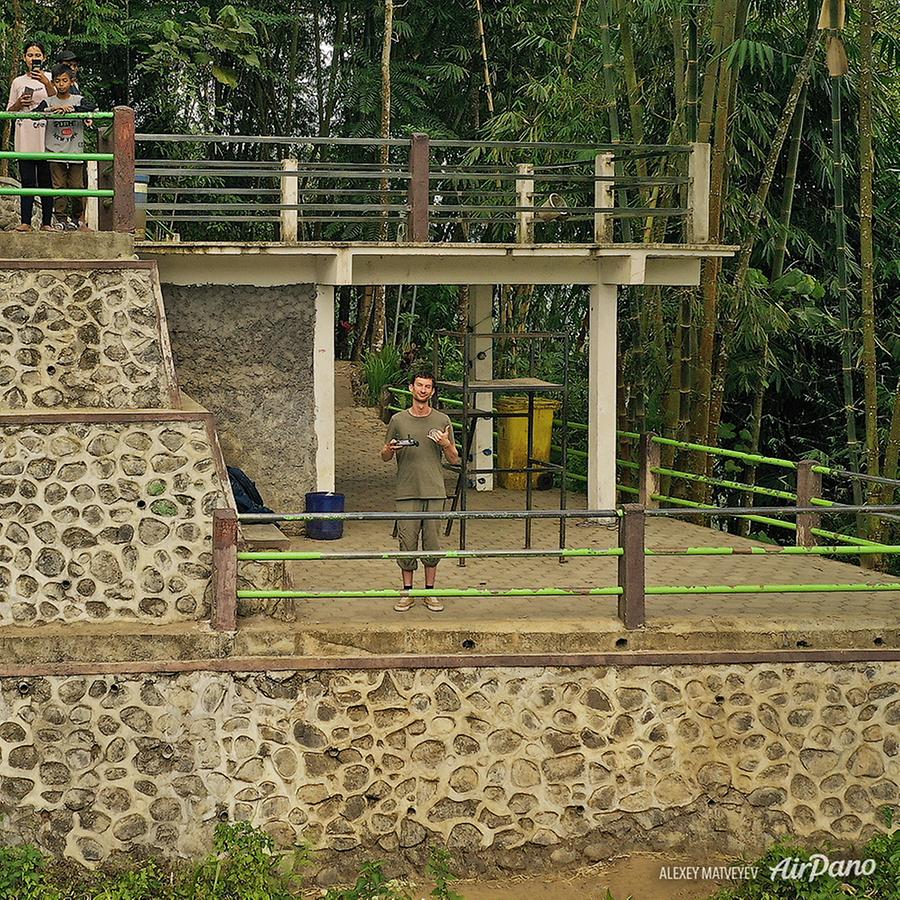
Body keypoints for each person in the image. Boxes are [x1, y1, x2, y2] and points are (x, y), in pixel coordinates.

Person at [381, 371, 459, 612]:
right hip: (406, 491)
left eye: (428, 387)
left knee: (432, 542)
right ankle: (407, 593)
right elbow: (384, 456)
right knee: (407, 541)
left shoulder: (442, 420)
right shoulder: (397, 420)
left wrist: (446, 444)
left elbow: (455, 459)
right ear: (411, 388)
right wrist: (390, 449)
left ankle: (430, 592)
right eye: (419, 385)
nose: (423, 390)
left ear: (432, 391)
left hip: (435, 491)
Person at [35, 64, 96, 230]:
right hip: (54, 151)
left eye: (64, 80)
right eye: (57, 81)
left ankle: (77, 219)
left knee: (77, 186)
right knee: (59, 186)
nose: (61, 84)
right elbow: (35, 113)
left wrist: (72, 109)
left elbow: (92, 106)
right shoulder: (48, 101)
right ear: (53, 83)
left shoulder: (79, 100)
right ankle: (61, 219)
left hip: (75, 150)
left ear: (71, 82)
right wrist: (52, 110)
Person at [6, 41, 57, 232]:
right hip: (25, 136)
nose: (34, 58)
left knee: (46, 182)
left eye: (37, 55)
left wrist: (45, 82)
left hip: (47, 137)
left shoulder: (52, 78)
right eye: (30, 55)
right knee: (27, 181)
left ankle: (47, 223)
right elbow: (9, 111)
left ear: (44, 58)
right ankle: (25, 222)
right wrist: (19, 103)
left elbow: (57, 100)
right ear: (24, 58)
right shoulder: (18, 82)